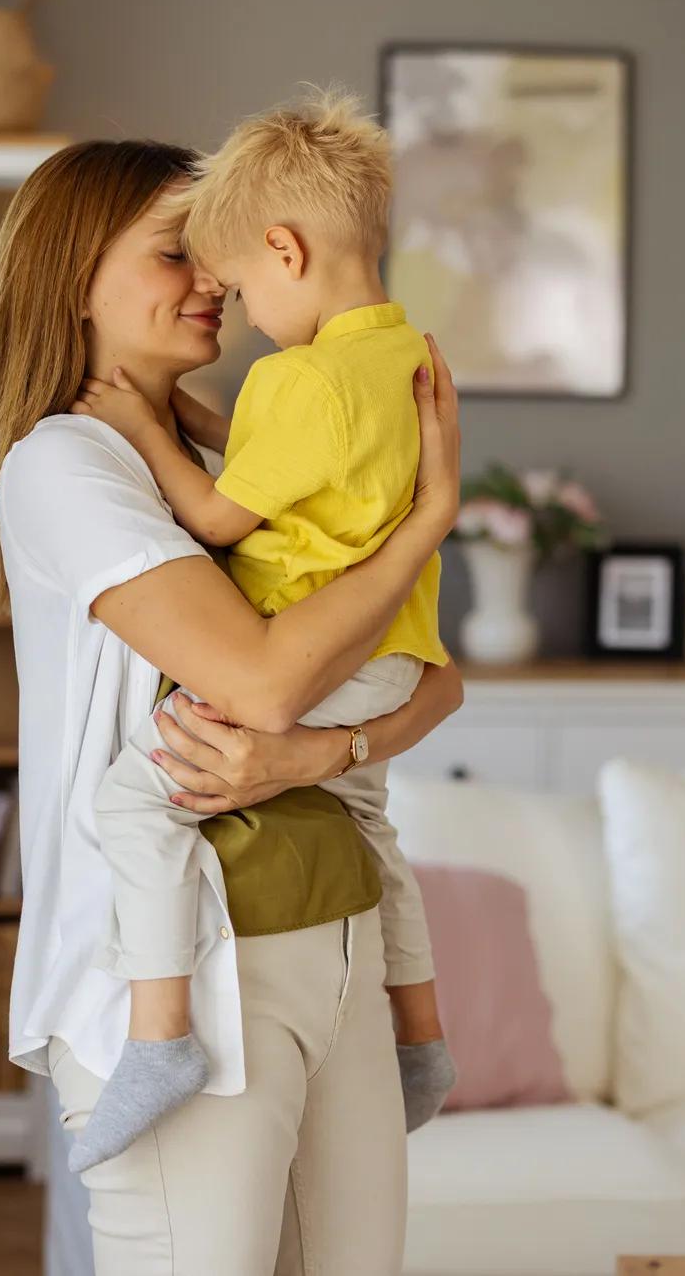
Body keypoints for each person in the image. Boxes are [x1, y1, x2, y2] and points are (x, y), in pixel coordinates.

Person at [0, 138, 464, 1273]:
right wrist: (424, 524)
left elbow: (436, 682)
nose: (213, 280)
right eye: (177, 252)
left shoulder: (230, 451)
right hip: (182, 963)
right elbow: (263, 680)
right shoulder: (68, 461)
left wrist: (326, 749)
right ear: (73, 273)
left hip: (329, 935)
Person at [66, 91, 454, 1171]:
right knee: (373, 826)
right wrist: (198, 418)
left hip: (309, 657)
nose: (231, 309)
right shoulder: (405, 357)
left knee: (130, 797)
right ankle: (419, 1036)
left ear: (282, 248)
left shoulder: (296, 376)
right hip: (394, 657)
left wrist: (144, 421)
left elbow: (223, 513)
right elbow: (305, 463)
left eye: (237, 285)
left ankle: (157, 1034)